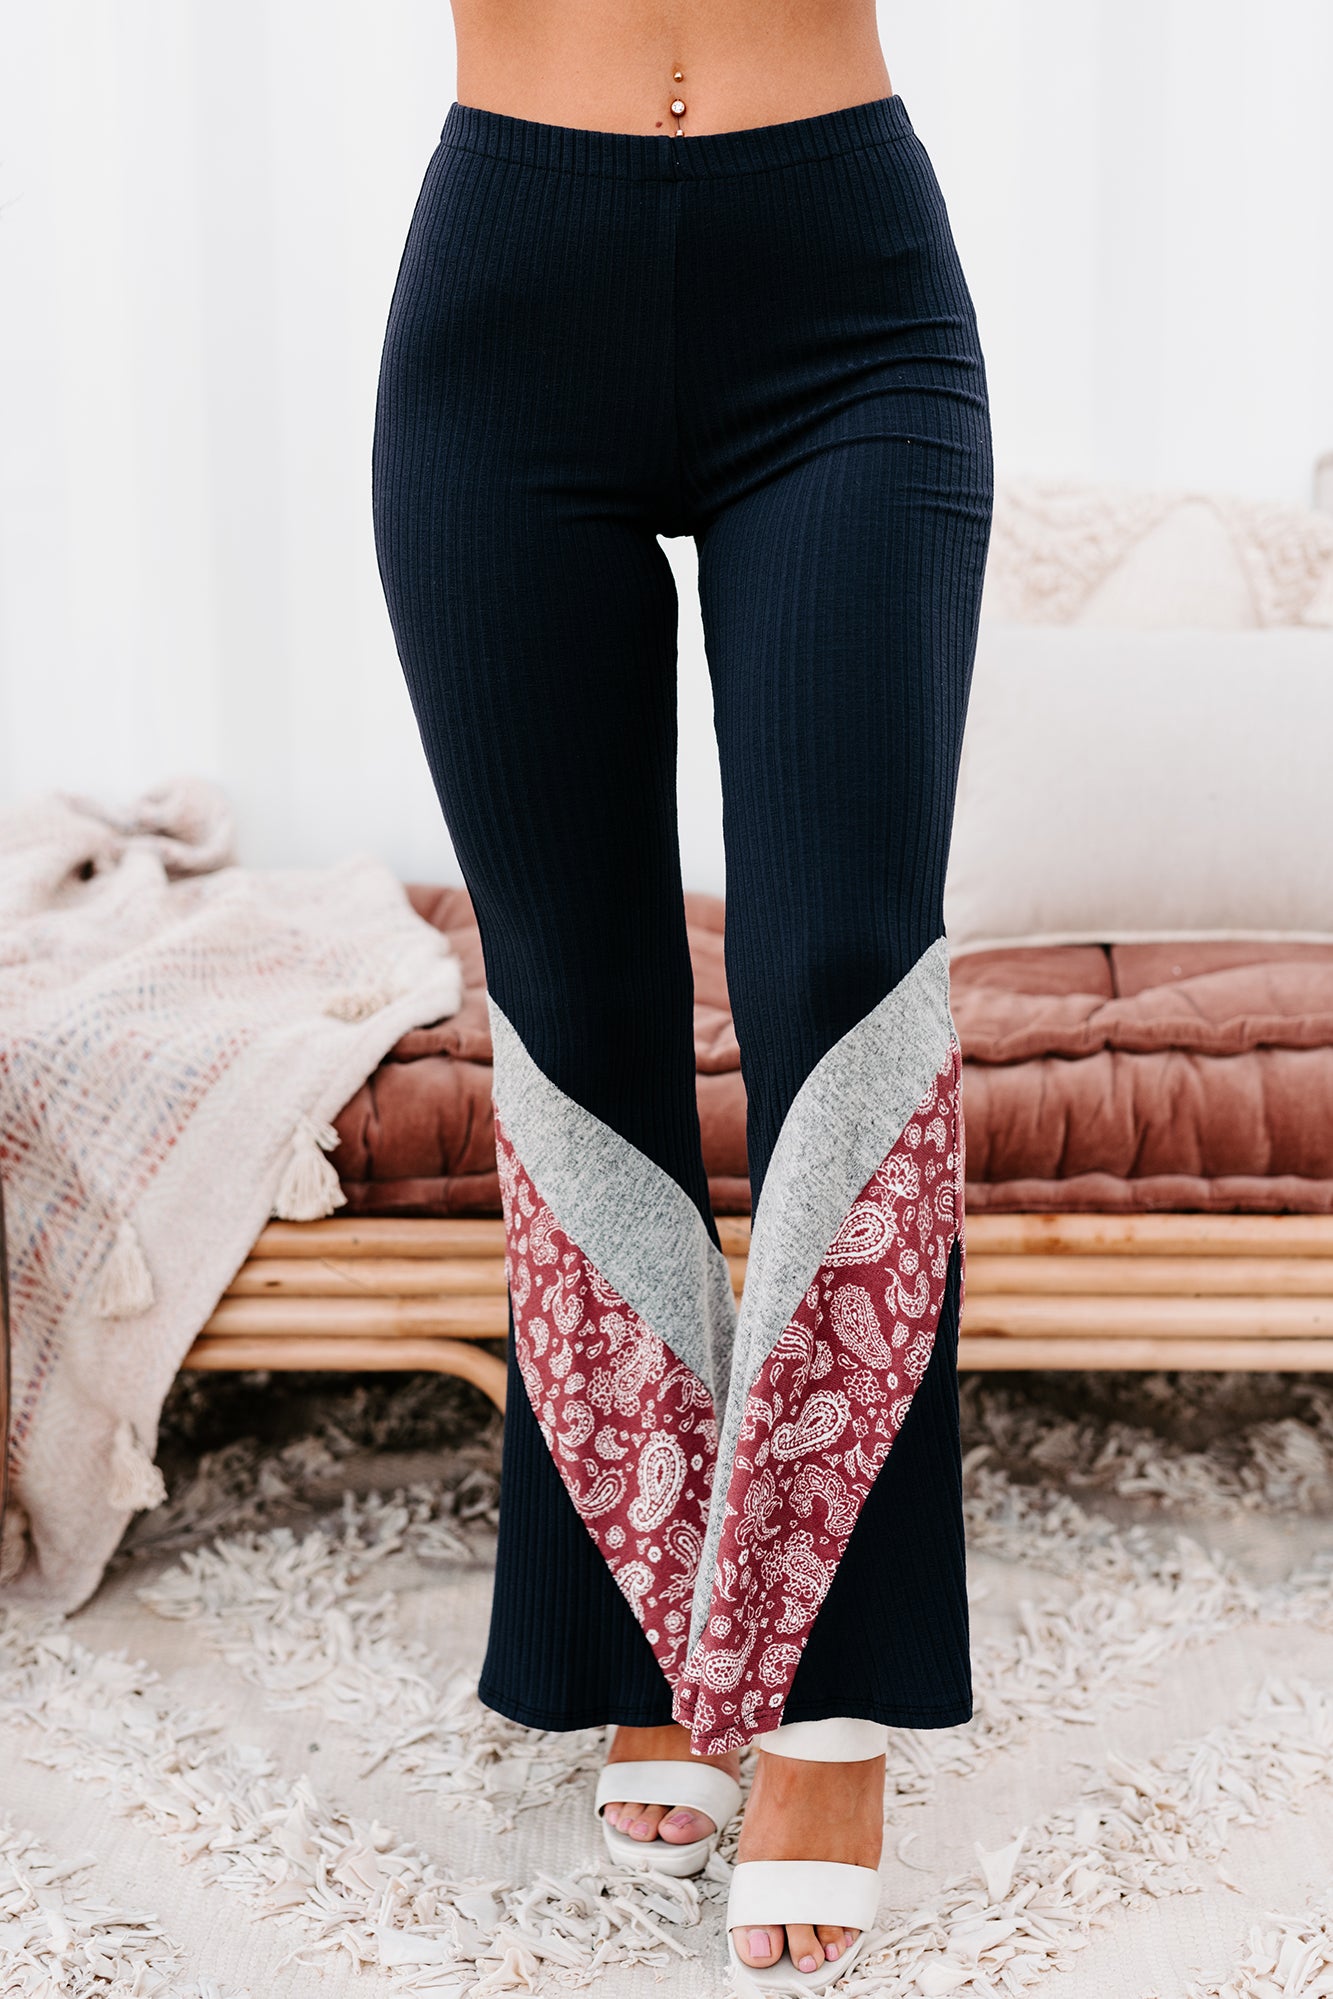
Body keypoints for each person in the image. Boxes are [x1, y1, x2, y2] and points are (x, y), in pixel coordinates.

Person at [372, 4, 992, 1987]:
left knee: (840, 970)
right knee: (573, 989)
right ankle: (653, 1624)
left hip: (842, 294)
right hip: (504, 297)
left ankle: (820, 1685)